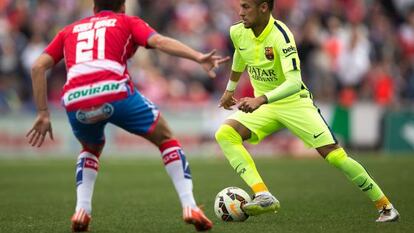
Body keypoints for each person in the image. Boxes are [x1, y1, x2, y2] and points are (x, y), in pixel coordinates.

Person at [26, 0, 229, 232]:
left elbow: (37, 67)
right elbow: (160, 41)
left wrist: (43, 113)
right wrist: (197, 56)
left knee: (90, 149)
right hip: (114, 91)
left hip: (76, 99)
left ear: (94, 8)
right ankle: (189, 205)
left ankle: (82, 209)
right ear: (123, 6)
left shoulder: (68, 30)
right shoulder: (126, 20)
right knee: (166, 139)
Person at [215, 0, 399, 222]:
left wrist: (260, 99)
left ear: (263, 7)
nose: (240, 12)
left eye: (246, 7)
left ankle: (386, 206)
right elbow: (240, 54)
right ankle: (263, 194)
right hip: (265, 105)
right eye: (240, 7)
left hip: (294, 103)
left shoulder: (281, 36)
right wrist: (229, 90)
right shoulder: (237, 31)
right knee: (225, 133)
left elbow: (294, 82)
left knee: (335, 156)